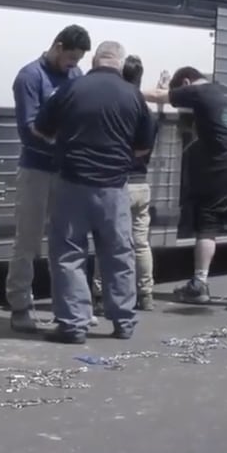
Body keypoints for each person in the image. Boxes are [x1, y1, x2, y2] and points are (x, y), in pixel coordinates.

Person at [34, 41, 155, 344]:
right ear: (120, 62)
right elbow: (142, 146)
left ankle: (74, 326)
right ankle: (123, 321)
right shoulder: (134, 96)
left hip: (72, 184)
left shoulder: (71, 89)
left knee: (69, 255)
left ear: (94, 60)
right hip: (114, 187)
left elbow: (41, 129)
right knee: (118, 254)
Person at [144, 67, 227, 303]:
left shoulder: (198, 92)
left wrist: (132, 91)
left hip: (225, 165)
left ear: (187, 82)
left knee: (208, 221)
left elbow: (159, 97)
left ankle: (199, 284)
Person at [6, 25, 91, 333]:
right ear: (57, 46)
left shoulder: (76, 75)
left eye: (77, 59)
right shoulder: (30, 77)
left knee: (68, 241)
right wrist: (64, 143)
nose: (73, 64)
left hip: (65, 172)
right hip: (36, 170)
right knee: (27, 241)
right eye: (70, 57)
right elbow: (29, 129)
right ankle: (20, 307)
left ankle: (70, 307)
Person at [93, 55, 161, 313]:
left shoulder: (118, 107)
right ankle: (146, 294)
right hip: (142, 184)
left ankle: (100, 296)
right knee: (140, 243)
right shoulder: (147, 112)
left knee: (107, 241)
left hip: (117, 182)